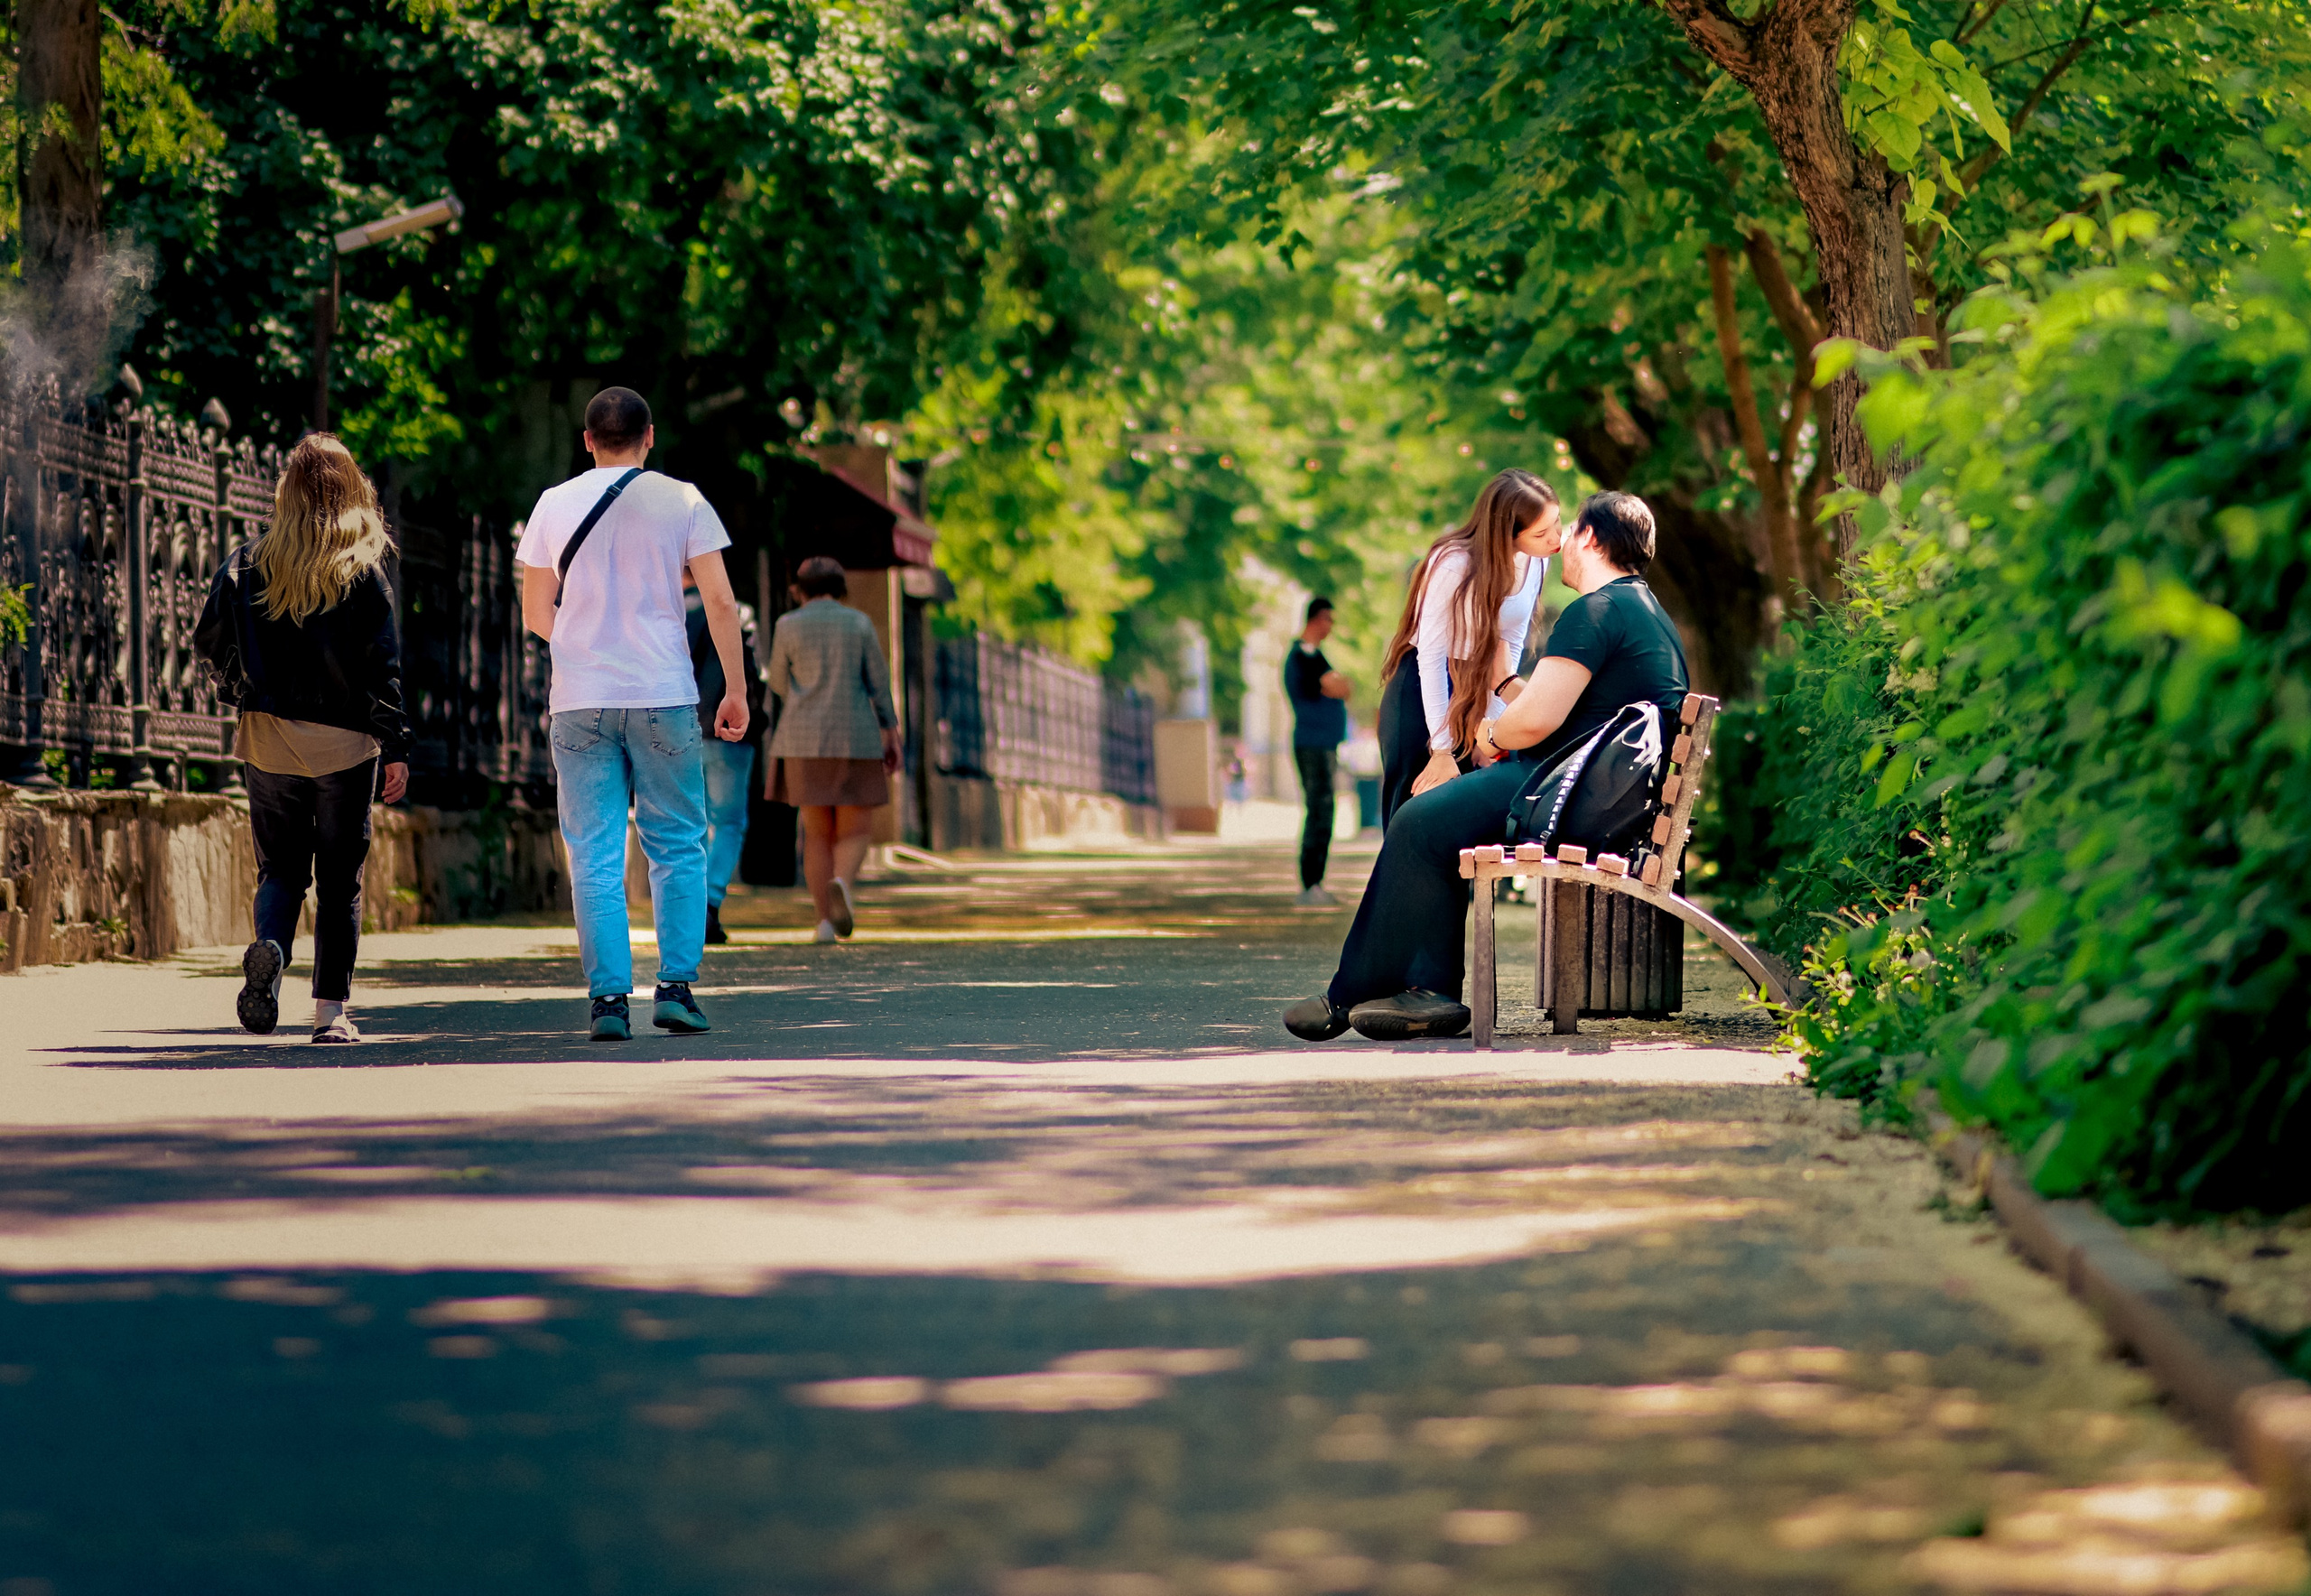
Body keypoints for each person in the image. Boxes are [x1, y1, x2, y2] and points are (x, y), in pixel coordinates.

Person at [1284, 492, 1688, 1042]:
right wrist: (1502, 686)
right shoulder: (1644, 611)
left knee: (1419, 821)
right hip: (1598, 793)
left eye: (1570, 531)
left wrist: (1489, 734)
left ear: (1591, 539)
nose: (1561, 543)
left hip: (1562, 793)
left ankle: (1353, 992)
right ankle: (1428, 992)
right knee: (1440, 819)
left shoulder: (1593, 611)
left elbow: (1534, 723)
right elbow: (1558, 708)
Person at [516, 387, 751, 1042]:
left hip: (581, 701)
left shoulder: (552, 505)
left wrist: (586, 644)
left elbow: (537, 613)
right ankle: (675, 988)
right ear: (650, 436)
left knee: (592, 851)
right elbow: (722, 603)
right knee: (677, 844)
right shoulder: (683, 500)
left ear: (587, 440)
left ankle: (609, 1003)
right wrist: (734, 689)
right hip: (665, 696)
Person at [194, 433, 413, 1044]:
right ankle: (330, 1016)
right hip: (345, 745)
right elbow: (382, 666)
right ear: (352, 489)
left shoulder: (247, 562)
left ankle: (270, 947)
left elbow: (209, 639)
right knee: (340, 879)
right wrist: (395, 747)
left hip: (267, 738)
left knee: (281, 870)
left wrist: (247, 690)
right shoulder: (360, 569)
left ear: (286, 490)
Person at [1375, 470, 1561, 829]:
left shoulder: (1536, 560)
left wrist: (1485, 734)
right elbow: (1429, 659)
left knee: (1460, 827)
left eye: (1556, 522)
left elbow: (1510, 648)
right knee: (1408, 820)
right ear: (1506, 533)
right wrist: (1441, 749)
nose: (1555, 539)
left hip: (1474, 693)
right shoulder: (1453, 563)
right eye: (1541, 533)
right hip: (1423, 694)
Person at [762, 555, 901, 945]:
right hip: (854, 736)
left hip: (801, 741)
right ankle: (842, 882)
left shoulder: (786, 625)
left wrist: (805, 698)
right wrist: (891, 731)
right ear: (841, 588)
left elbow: (776, 681)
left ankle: (824, 921)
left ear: (798, 589)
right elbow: (878, 682)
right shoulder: (858, 623)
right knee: (855, 830)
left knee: (816, 834)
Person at [685, 564, 766, 944]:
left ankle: (687, 908)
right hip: (728, 729)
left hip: (676, 730)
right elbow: (759, 670)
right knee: (729, 822)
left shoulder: (660, 611)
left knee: (687, 824)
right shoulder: (736, 611)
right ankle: (710, 902)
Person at [1284, 596, 1353, 906]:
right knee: (1319, 810)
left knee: (1324, 810)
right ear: (1317, 618)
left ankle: (1316, 881)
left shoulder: (1314, 655)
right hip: (1313, 744)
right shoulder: (1304, 655)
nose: (1331, 627)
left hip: (1322, 743)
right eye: (1329, 619)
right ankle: (1311, 883)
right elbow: (1338, 686)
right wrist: (1335, 684)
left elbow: (1342, 686)